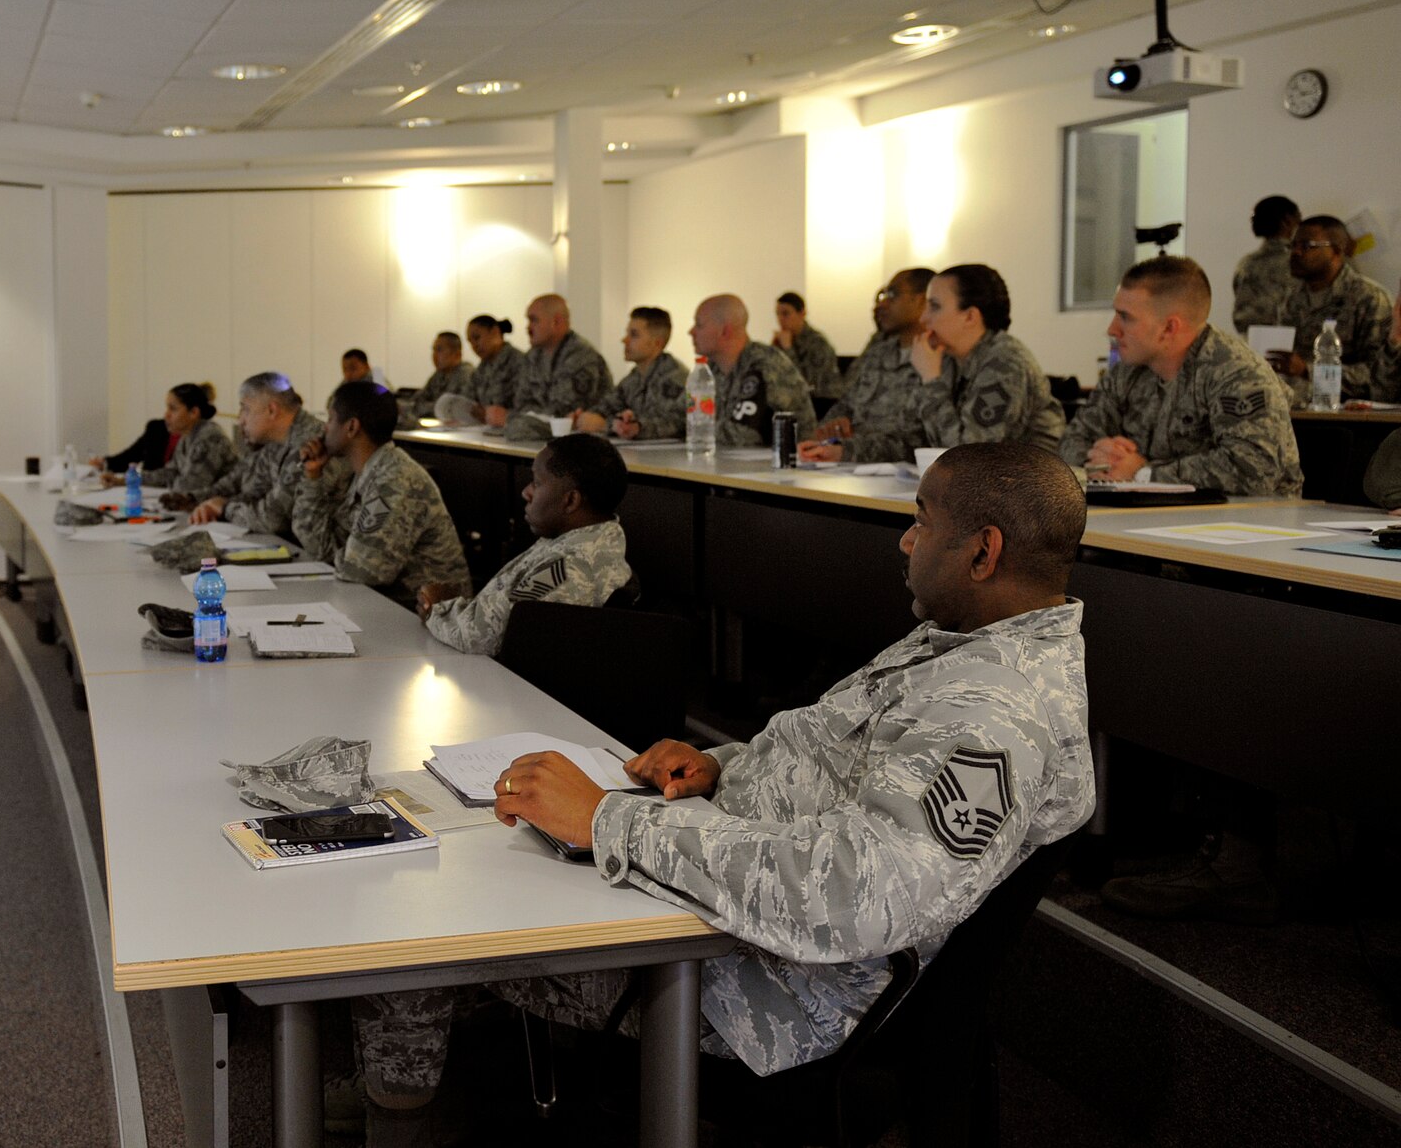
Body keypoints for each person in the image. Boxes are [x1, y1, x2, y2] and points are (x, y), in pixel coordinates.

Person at [353, 443, 1092, 1143]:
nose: (905, 542)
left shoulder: (995, 708)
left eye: (921, 521)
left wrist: (608, 820)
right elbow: (839, 762)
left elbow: (858, 897)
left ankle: (394, 1114)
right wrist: (721, 768)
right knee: (473, 851)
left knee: (422, 925)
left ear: (983, 552)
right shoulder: (967, 641)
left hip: (761, 981)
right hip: (729, 887)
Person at [1060, 256, 1302, 497]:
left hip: (1251, 516)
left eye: (1126, 317)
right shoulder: (1128, 370)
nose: (1112, 330)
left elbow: (1254, 471)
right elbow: (1071, 441)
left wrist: (1143, 473)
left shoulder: (1237, 372)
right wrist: (1102, 459)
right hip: (1153, 511)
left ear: (1169, 328)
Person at [417, 433, 631, 656]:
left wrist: (437, 609)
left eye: (537, 483)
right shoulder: (581, 538)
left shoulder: (571, 565)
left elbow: (481, 637)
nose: (526, 492)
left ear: (570, 500)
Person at [291, 381, 472, 601]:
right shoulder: (366, 473)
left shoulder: (396, 480)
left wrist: (344, 556)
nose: (324, 429)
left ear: (351, 427)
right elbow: (321, 547)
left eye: (330, 419)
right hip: (385, 602)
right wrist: (312, 477)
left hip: (422, 613)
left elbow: (363, 571)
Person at [908, 264, 1064, 450]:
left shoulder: (1006, 363)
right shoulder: (944, 358)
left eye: (934, 306)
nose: (923, 318)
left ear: (970, 317)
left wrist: (931, 381)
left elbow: (969, 454)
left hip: (1031, 469)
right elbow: (910, 437)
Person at [798, 268, 934, 465]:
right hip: (851, 467)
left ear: (921, 301)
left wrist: (846, 451)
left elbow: (919, 443)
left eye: (892, 294)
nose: (882, 304)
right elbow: (844, 405)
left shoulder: (940, 360)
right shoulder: (879, 353)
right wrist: (834, 426)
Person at [189, 372, 345, 537]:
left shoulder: (309, 445)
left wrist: (225, 508)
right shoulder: (276, 443)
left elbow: (273, 518)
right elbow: (255, 494)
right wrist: (217, 504)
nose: (241, 420)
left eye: (245, 409)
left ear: (272, 410)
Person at [1264, 215, 1394, 402]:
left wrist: (1307, 370)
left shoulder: (1369, 298)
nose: (1296, 252)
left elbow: (1380, 376)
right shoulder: (1289, 299)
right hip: (1296, 407)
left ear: (1337, 250)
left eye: (1307, 246)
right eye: (1293, 245)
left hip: (1348, 413)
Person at [688, 293, 815, 448]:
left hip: (787, 459)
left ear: (725, 331)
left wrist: (694, 429)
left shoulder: (764, 364)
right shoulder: (711, 368)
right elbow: (678, 416)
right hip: (733, 458)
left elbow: (743, 434)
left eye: (699, 325)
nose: (691, 332)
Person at [486, 294, 613, 435]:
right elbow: (521, 404)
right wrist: (523, 418)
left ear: (556, 322)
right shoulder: (533, 356)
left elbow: (563, 416)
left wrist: (512, 418)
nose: (528, 327)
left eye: (534, 320)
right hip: (539, 438)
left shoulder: (581, 356)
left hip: (580, 442)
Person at [109, 383, 237, 505]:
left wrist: (172, 482)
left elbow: (190, 487)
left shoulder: (210, 438)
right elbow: (169, 473)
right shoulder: (187, 436)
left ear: (193, 412)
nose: (166, 415)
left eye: (173, 409)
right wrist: (128, 479)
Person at [573, 305, 688, 439]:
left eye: (634, 335)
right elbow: (607, 406)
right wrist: (583, 417)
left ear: (657, 343)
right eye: (627, 333)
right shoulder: (634, 377)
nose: (624, 340)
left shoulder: (674, 378)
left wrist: (607, 425)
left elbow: (673, 424)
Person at [1230, 195, 1301, 334]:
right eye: (1299, 220)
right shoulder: (1299, 261)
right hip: (1291, 341)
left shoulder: (1247, 263)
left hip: (1251, 341)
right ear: (1288, 221)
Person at [771, 291, 844, 397]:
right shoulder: (783, 339)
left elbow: (808, 385)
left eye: (785, 314)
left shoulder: (818, 343)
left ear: (802, 313)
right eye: (778, 314)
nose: (780, 319)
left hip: (823, 400)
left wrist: (788, 349)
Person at [399, 332, 474, 427]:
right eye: (433, 350)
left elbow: (444, 408)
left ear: (456, 354)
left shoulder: (465, 374)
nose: (434, 355)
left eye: (439, 350)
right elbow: (419, 398)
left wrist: (417, 407)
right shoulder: (439, 375)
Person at [464, 314, 525, 421]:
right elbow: (469, 400)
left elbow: (526, 409)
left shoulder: (519, 362)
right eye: (470, 342)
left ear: (495, 332)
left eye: (477, 338)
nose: (474, 346)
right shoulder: (481, 369)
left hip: (514, 427)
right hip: (484, 429)